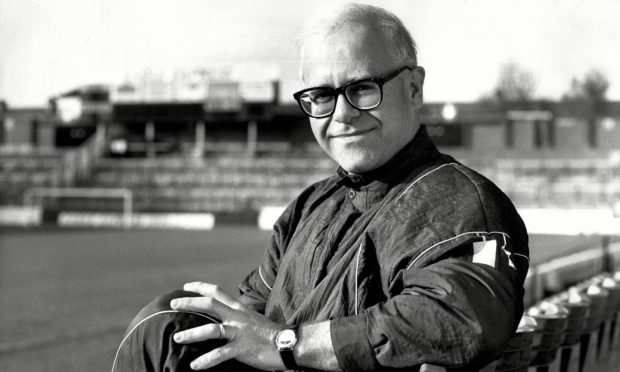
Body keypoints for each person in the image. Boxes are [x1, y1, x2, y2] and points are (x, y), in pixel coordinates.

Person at [113, 3, 529, 371]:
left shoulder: (461, 201)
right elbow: (255, 314)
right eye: (321, 96)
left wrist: (286, 343)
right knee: (169, 326)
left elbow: (461, 316)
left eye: (362, 88)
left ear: (414, 87)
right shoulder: (308, 207)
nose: (342, 115)